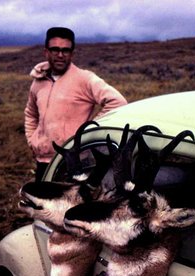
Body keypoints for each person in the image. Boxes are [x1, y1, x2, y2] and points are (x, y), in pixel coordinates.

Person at [24, 27, 127, 181]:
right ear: (46, 52)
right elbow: (31, 113)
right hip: (44, 162)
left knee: (74, 205)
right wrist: (32, 140)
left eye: (65, 50)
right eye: (55, 50)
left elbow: (118, 102)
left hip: (76, 163)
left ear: (72, 53)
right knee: (44, 204)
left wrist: (88, 132)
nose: (60, 55)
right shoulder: (38, 82)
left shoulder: (85, 79)